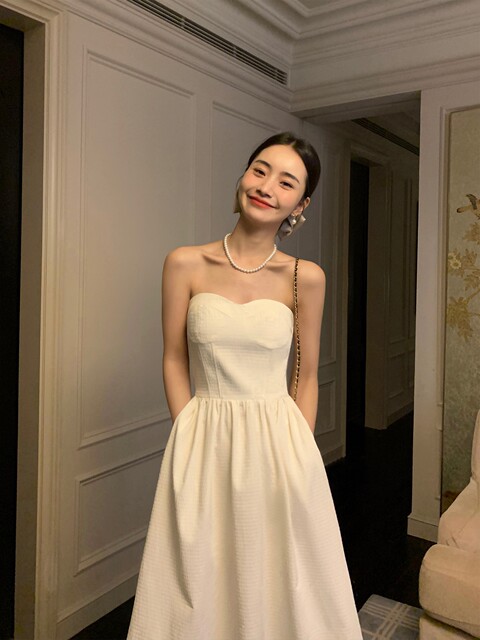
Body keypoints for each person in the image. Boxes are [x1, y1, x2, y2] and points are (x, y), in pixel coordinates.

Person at [126, 132, 362, 639]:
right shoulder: (184, 263)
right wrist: (188, 430)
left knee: (280, 578)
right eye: (260, 170)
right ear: (244, 177)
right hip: (204, 439)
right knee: (199, 577)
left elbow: (306, 374)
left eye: (286, 182)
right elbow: (173, 357)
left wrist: (299, 454)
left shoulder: (306, 277)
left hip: (279, 445)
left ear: (300, 205)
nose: (266, 187)